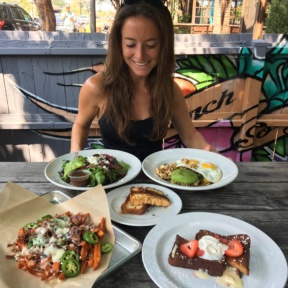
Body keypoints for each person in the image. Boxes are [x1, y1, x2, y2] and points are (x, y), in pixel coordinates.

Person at [70, 0, 218, 161]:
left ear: (164, 45)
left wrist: (208, 152)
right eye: (130, 44)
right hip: (112, 180)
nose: (140, 55)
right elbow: (81, 125)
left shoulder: (169, 89)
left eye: (151, 45)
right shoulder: (96, 87)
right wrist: (75, 157)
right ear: (118, 44)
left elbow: (190, 135)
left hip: (156, 180)